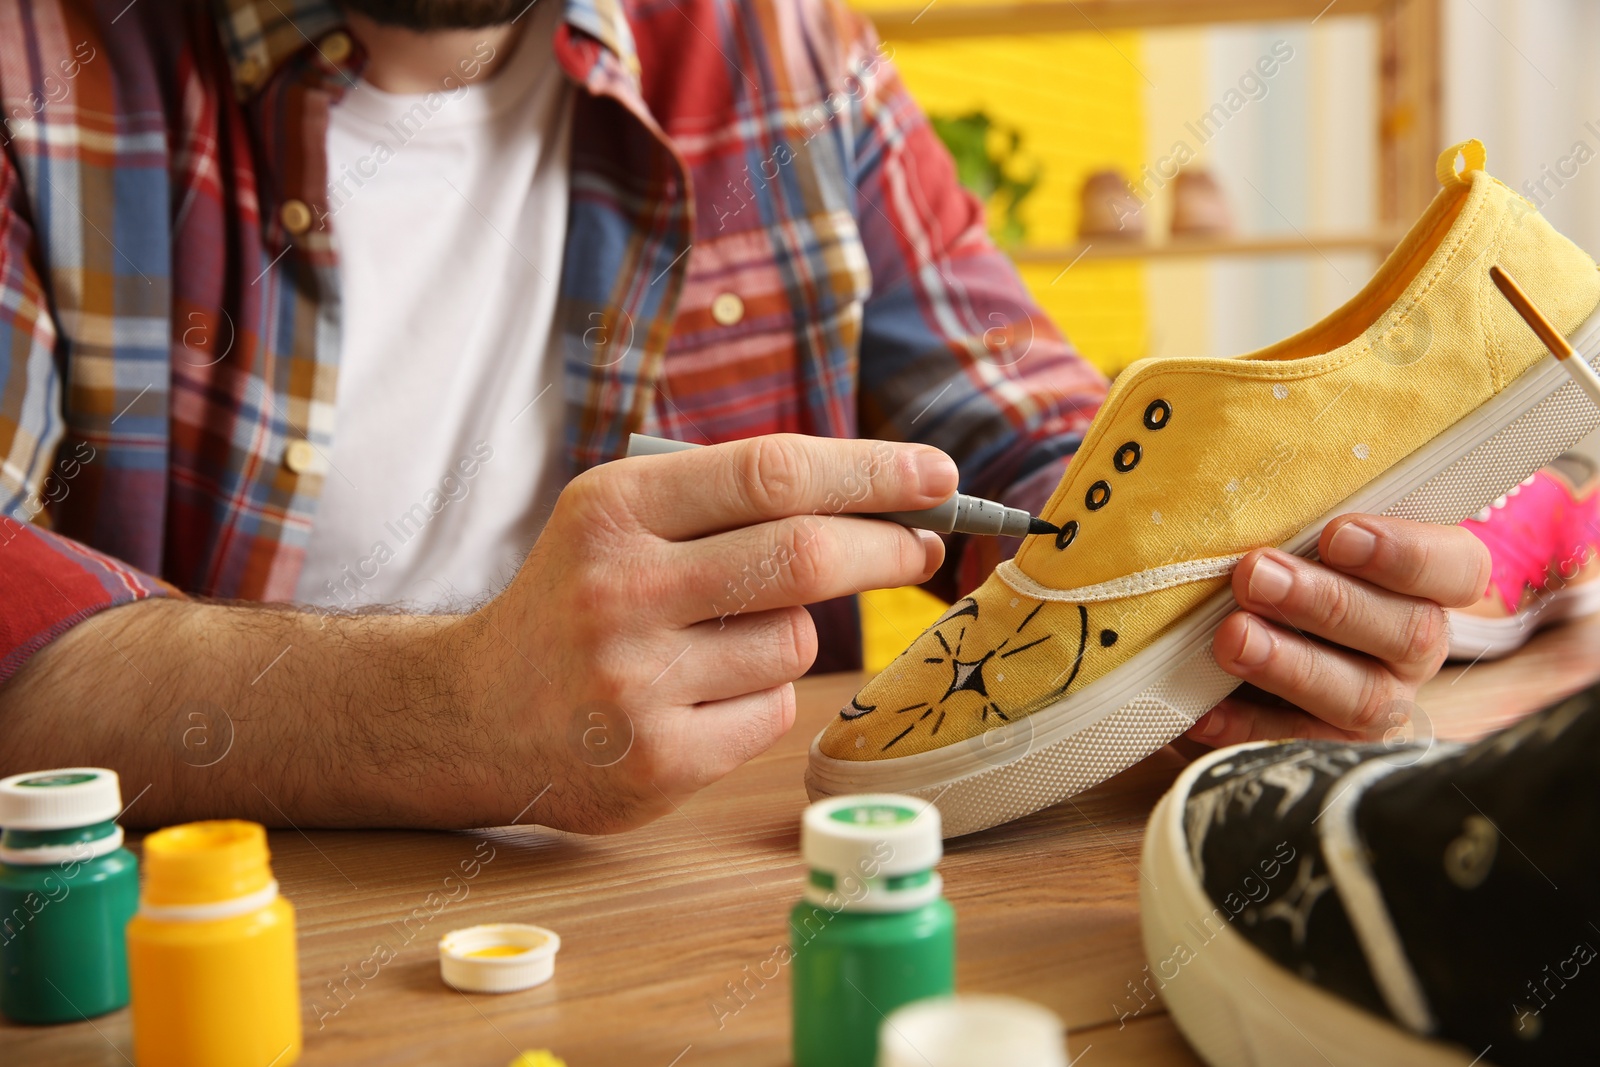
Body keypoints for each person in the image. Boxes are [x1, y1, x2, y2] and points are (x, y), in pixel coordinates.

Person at [0, 0, 1491, 833]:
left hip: (731, 924)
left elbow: (1039, 455)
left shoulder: (778, 49)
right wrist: (444, 708)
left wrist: (1227, 615)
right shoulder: (39, 62)